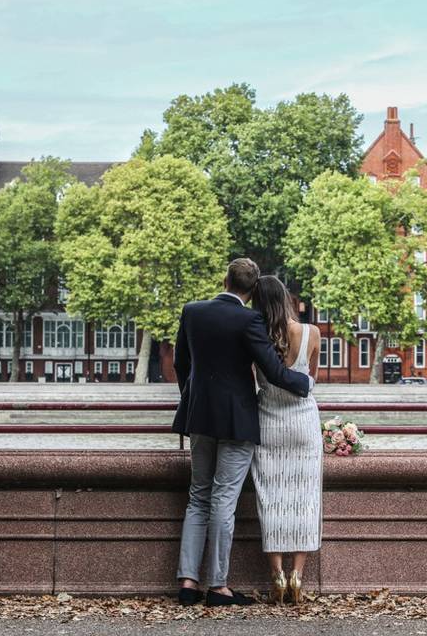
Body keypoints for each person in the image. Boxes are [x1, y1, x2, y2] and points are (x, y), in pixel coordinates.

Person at [171, 258, 313, 607]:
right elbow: (274, 372)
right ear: (251, 292)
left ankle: (188, 582)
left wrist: (193, 398)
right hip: (237, 421)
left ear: (225, 279)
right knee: (223, 499)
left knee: (198, 495)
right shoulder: (250, 319)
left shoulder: (192, 311)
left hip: (199, 416)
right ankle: (218, 586)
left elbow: (180, 363)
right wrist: (306, 382)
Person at [249, 275, 322, 605]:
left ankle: (277, 573)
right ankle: (298, 574)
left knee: (271, 494)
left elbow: (254, 379)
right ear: (287, 298)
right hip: (303, 421)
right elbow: (311, 380)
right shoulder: (311, 333)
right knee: (305, 496)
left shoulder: (256, 337)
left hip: (269, 421)